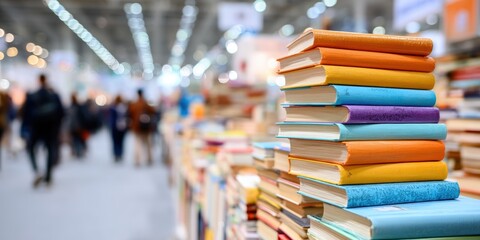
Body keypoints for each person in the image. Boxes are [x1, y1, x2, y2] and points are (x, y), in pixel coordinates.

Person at [21, 74, 64, 187]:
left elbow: (26, 115)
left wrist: (24, 129)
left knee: (31, 149)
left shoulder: (32, 96)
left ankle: (36, 171)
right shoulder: (54, 95)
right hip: (50, 128)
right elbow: (61, 113)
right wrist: (57, 128)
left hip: (36, 128)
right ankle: (48, 176)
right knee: (50, 150)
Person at [128, 89, 155, 166]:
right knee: (148, 144)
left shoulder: (134, 104)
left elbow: (130, 113)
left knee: (137, 144)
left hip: (136, 127)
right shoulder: (146, 103)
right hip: (146, 127)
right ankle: (149, 159)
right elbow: (153, 111)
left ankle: (137, 160)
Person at [108, 95, 128, 163]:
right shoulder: (124, 107)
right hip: (122, 127)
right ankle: (120, 154)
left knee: (115, 142)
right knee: (121, 141)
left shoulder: (113, 107)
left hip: (114, 127)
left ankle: (116, 154)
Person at [67, 93, 87, 158]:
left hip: (76, 126)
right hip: (75, 126)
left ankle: (78, 151)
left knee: (77, 139)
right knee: (77, 139)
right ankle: (78, 151)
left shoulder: (73, 107)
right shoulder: (76, 106)